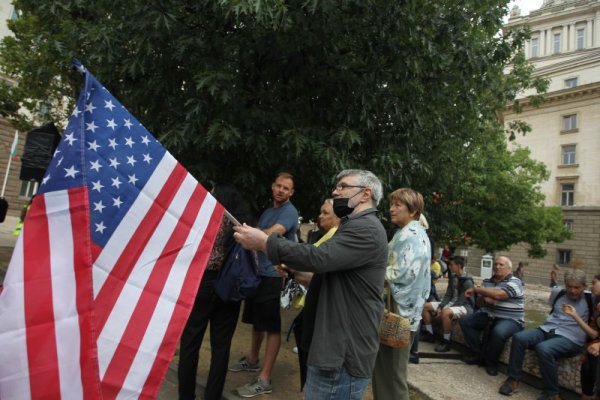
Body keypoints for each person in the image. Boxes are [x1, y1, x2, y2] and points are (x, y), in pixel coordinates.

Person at [232, 169, 388, 400]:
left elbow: (318, 258)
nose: (336, 191)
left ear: (366, 194)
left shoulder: (366, 228)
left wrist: (265, 242)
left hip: (341, 355)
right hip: (334, 350)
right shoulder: (354, 225)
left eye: (343, 186)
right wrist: (296, 273)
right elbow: (329, 274)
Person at [177, 183, 256, 400]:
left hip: (201, 283)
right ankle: (212, 396)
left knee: (190, 342)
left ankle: (185, 396)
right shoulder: (239, 224)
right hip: (229, 286)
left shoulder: (202, 219)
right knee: (221, 347)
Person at [228, 172, 299, 398]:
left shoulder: (289, 212)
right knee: (257, 322)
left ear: (291, 193)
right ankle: (252, 359)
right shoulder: (268, 211)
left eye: (286, 188)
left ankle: (265, 378)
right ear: (272, 186)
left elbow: (269, 236)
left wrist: (251, 236)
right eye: (278, 186)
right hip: (258, 274)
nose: (281, 190)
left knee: (271, 326)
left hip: (273, 275)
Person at [499, 269, 597, 400]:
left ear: (584, 286)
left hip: (571, 338)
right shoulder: (558, 293)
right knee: (519, 337)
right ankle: (513, 380)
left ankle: (553, 393)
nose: (572, 290)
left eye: (577, 287)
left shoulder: (591, 299)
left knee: (544, 348)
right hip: (547, 329)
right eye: (569, 286)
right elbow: (551, 312)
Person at [372, 188, 431, 400]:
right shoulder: (412, 232)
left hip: (399, 312)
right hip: (404, 311)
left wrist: (370, 273)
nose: (392, 209)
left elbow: (402, 274)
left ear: (413, 211)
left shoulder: (410, 235)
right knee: (388, 370)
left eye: (398, 205)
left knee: (392, 372)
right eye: (392, 204)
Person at [287, 199, 340, 391]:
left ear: (338, 217)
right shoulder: (327, 236)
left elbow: (312, 267)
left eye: (326, 213)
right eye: (321, 212)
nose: (320, 216)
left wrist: (289, 264)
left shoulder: (334, 237)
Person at [459, 256, 524, 376]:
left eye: (501, 265)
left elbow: (500, 295)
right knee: (465, 321)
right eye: (495, 264)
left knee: (498, 332)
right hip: (489, 314)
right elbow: (479, 303)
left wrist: (477, 290)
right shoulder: (487, 281)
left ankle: (491, 362)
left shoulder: (515, 281)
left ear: (509, 268)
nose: (497, 267)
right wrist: (484, 297)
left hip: (510, 319)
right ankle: (478, 354)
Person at [420, 255, 474, 353]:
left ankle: (446, 342)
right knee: (425, 306)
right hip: (451, 303)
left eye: (451, 265)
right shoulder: (453, 277)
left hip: (464, 306)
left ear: (459, 266)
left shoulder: (468, 281)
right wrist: (441, 306)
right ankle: (430, 334)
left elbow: (461, 301)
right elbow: (448, 294)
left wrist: (444, 310)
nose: (449, 266)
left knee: (445, 313)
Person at [581, 274, 600, 400]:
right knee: (588, 363)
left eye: (594, 282)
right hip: (593, 344)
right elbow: (593, 332)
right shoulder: (594, 300)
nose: (591, 286)